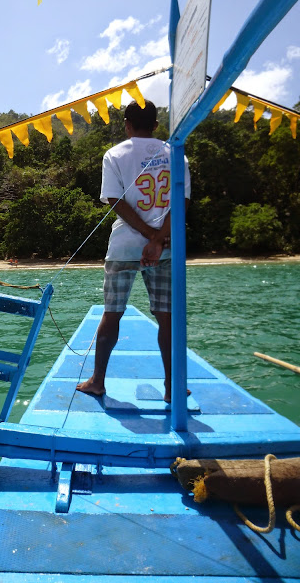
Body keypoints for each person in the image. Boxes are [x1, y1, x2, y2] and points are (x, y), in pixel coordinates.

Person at [76, 100, 191, 403]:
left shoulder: (114, 155)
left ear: (127, 124)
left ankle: (98, 381)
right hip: (166, 247)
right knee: (167, 318)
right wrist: (158, 238)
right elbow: (183, 202)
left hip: (125, 245)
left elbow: (115, 201)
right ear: (156, 124)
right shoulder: (176, 153)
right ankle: (172, 386)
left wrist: (148, 235)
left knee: (112, 314)